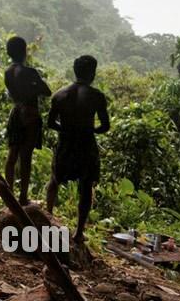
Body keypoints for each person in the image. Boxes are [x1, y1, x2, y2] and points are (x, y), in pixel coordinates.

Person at [46, 55, 110, 243]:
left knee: (54, 180)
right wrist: (90, 130)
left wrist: (66, 130)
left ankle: (47, 217)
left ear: (75, 71)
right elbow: (105, 126)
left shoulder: (60, 94)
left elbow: (51, 123)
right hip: (86, 144)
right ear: (92, 73)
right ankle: (79, 232)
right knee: (86, 186)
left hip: (66, 143)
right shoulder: (97, 96)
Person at [4, 36, 51, 205]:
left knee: (12, 154)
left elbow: (13, 92)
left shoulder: (8, 72)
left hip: (16, 111)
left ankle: (8, 194)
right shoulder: (30, 72)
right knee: (26, 157)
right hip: (30, 113)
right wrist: (34, 87)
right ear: (24, 51)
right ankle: (23, 196)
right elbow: (46, 91)